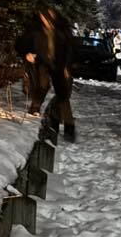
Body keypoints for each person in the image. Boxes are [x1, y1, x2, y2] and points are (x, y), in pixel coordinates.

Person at [15, 8, 76, 141]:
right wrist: (27, 54)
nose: (46, 18)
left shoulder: (61, 30)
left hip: (58, 65)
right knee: (43, 86)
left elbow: (68, 49)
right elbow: (20, 43)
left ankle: (69, 128)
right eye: (44, 15)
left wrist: (66, 67)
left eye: (49, 15)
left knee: (63, 95)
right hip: (42, 63)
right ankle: (34, 109)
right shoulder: (35, 30)